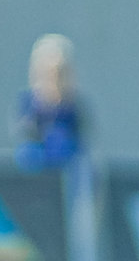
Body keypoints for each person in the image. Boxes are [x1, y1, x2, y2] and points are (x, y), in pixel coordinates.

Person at [13, 33, 88, 171]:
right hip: (38, 152)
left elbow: (81, 129)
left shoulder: (73, 104)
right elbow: (24, 128)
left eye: (59, 74)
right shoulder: (31, 101)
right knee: (26, 154)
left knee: (78, 158)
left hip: (67, 156)